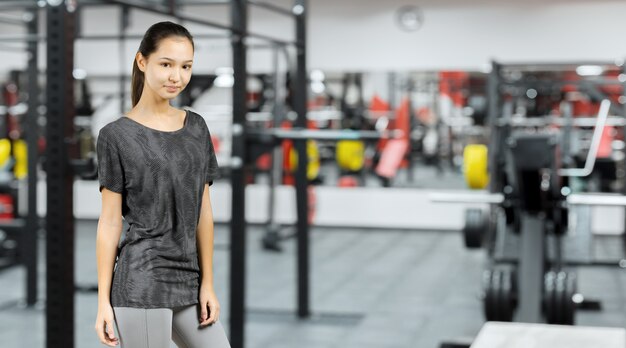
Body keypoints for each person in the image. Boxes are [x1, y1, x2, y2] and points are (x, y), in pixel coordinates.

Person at [94, 21, 231, 348]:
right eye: (166, 64)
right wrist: (102, 301)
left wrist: (208, 282)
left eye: (186, 66)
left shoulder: (196, 127)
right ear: (142, 62)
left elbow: (203, 212)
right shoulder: (115, 136)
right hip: (141, 282)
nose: (176, 77)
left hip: (188, 279)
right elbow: (110, 221)